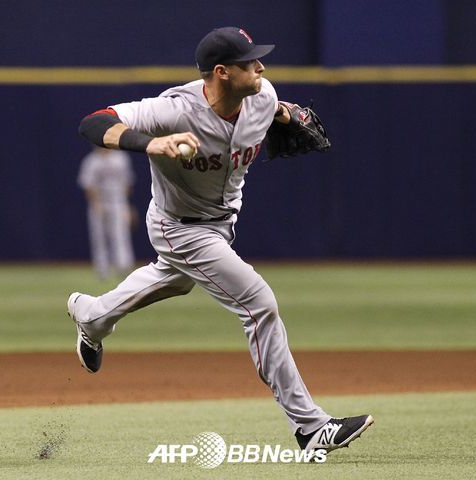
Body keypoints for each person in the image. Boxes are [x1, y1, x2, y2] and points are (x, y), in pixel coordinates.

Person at [68, 26, 373, 457]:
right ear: (222, 72)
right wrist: (152, 143)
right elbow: (94, 123)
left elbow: (276, 109)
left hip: (221, 225)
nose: (260, 67)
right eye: (250, 62)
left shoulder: (263, 96)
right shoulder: (173, 110)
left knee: (174, 281)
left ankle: (93, 316)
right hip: (178, 226)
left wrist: (287, 115)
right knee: (259, 302)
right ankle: (311, 428)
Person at [77, 146, 136, 279]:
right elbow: (88, 185)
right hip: (99, 202)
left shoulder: (120, 158)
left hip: (118, 201)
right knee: (99, 237)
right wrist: (96, 203)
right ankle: (102, 268)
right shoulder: (91, 161)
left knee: (120, 234)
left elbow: (127, 182)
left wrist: (126, 204)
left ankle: (123, 266)